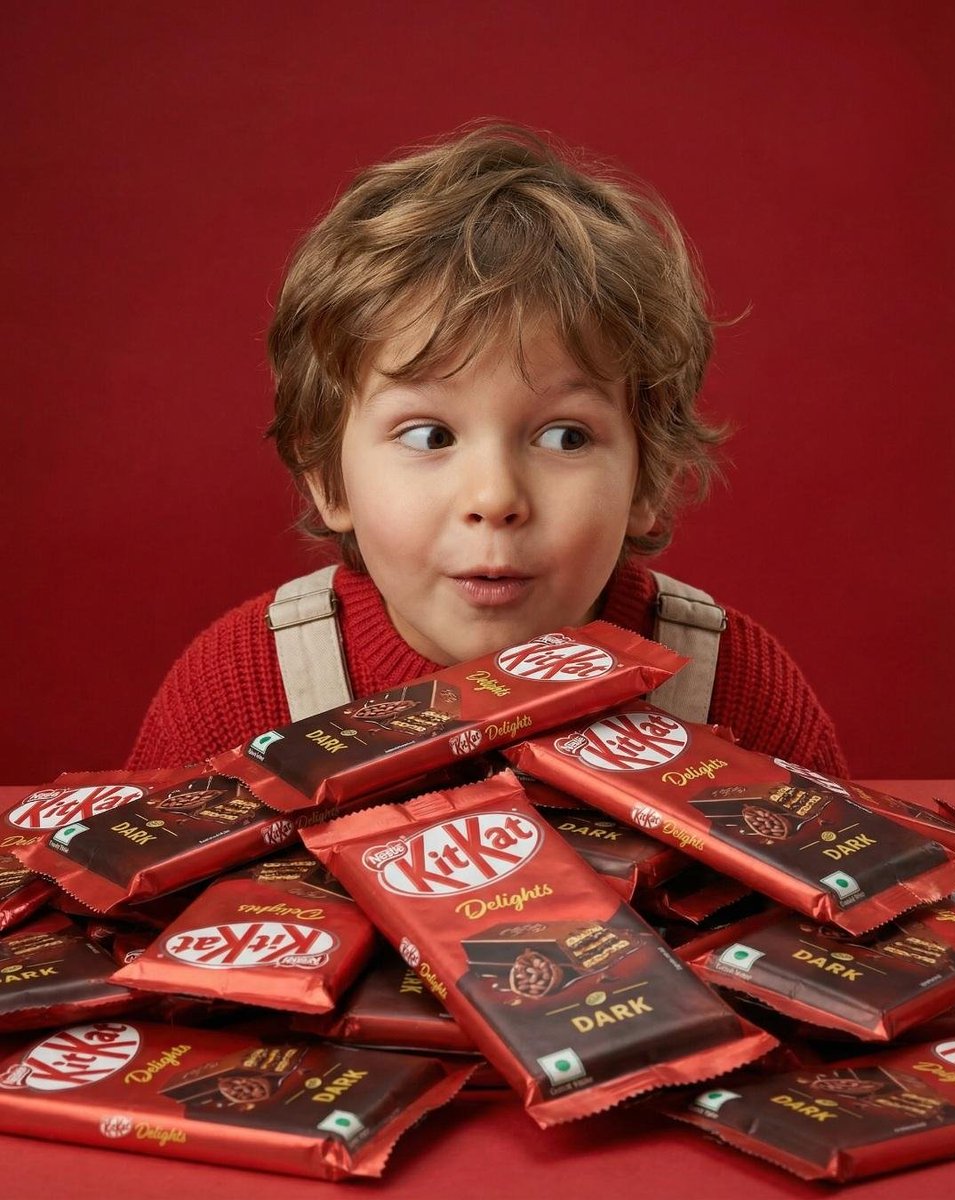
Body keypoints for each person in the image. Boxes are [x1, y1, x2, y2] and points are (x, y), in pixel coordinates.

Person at [127, 124, 846, 776]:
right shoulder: (240, 690)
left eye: (565, 437)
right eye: (429, 436)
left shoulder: (735, 691)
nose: (495, 498)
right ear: (329, 480)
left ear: (646, 479)